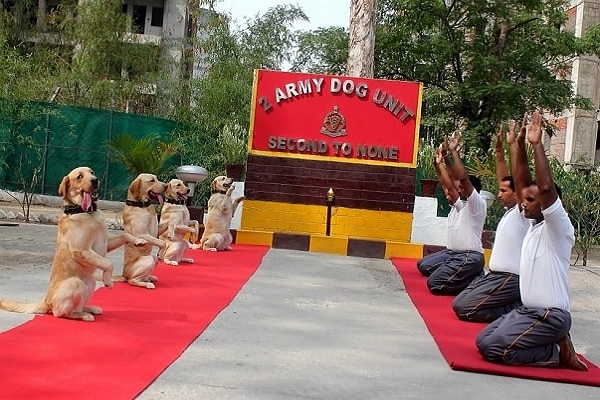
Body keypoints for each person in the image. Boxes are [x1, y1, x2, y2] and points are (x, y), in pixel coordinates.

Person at [476, 111, 587, 371]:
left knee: (495, 348)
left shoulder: (558, 228)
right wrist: (519, 146)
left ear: (548, 205)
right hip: (528, 311)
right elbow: (523, 182)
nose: (523, 204)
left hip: (550, 316)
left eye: (530, 201)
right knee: (483, 340)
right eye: (523, 200)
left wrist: (537, 145)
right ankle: (552, 346)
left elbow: (545, 190)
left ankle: (556, 351)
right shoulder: (531, 225)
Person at [452, 121, 530, 322]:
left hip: (510, 279)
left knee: (464, 308)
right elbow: (504, 177)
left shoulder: (522, 212)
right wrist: (498, 151)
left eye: (504, 191)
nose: (499, 194)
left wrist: (516, 146)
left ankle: (515, 309)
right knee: (458, 302)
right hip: (494, 275)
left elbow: (520, 179)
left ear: (518, 194)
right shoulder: (510, 211)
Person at [416, 132, 487, 295]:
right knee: (424, 266)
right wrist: (440, 163)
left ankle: (474, 279)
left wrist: (452, 152)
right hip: (453, 254)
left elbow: (461, 178)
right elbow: (446, 184)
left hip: (470, 256)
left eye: (462, 188)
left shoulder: (476, 205)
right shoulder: (460, 205)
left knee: (435, 284)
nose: (456, 191)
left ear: (471, 190)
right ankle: (465, 274)